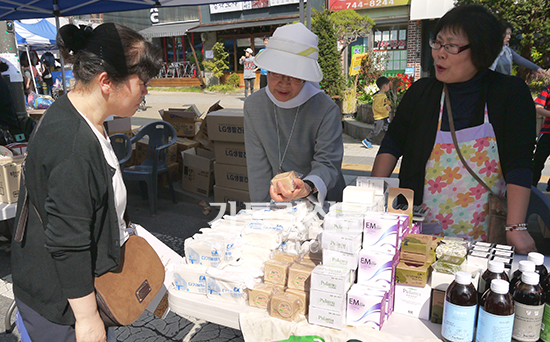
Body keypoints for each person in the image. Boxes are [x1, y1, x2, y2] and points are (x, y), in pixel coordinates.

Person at [10, 23, 162, 342]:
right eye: (143, 82)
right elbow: (69, 240)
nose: (147, 91)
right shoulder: (71, 143)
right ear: (106, 82)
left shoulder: (86, 120)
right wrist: (88, 319)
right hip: (60, 303)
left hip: (77, 288)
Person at [371, 5, 537, 254]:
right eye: (437, 43)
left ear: (480, 51)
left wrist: (516, 227)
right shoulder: (421, 93)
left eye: (451, 46)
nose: (439, 54)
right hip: (419, 236)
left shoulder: (509, 93)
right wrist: (370, 201)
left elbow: (519, 163)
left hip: (484, 237)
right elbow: (393, 143)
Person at [244, 23, 345, 205]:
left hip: (322, 196)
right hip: (277, 197)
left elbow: (328, 163)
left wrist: (306, 187)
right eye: (276, 73)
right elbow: (257, 167)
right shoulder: (254, 106)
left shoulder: (326, 109)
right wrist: (260, 212)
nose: (284, 83)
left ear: (306, 76)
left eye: (294, 76)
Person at [362, 76, 391, 149]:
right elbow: (377, 108)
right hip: (379, 117)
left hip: (384, 116)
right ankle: (367, 140)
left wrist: (388, 104)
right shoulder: (378, 97)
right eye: (388, 85)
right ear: (385, 86)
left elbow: (384, 103)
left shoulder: (383, 95)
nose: (389, 87)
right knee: (376, 131)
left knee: (388, 130)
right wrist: (386, 108)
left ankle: (388, 142)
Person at [532, 84, 550, 190]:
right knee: (538, 161)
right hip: (547, 133)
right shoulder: (548, 89)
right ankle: (531, 187)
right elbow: (538, 107)